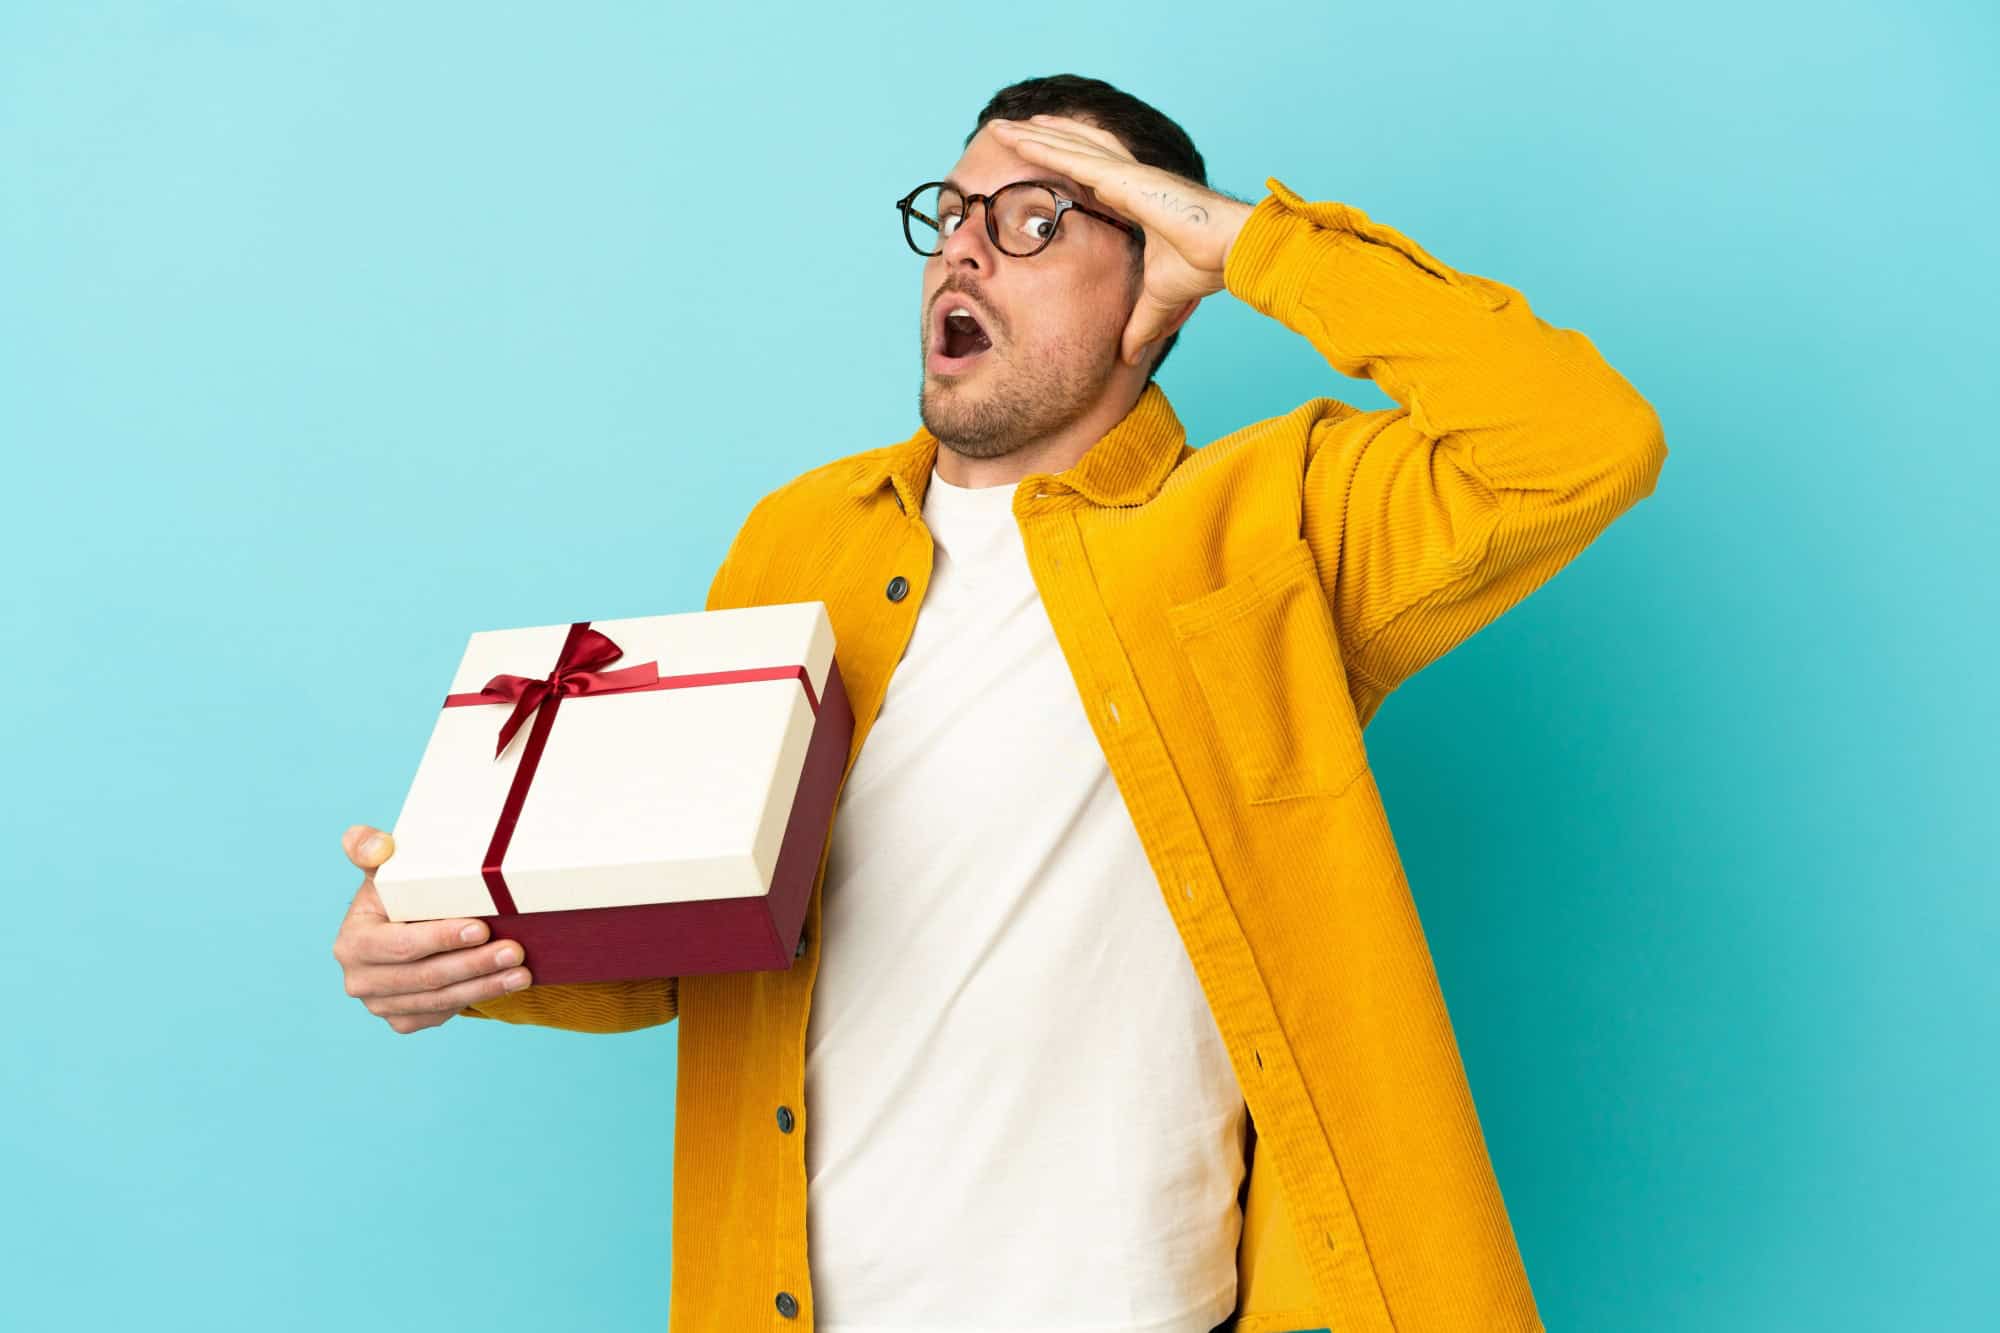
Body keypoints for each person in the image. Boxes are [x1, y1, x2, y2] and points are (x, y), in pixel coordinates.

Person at [331, 73, 1665, 1333]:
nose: (963, 252)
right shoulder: (802, 538)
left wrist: (1252, 242)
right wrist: (453, 950)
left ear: (1159, 274)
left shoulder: (1275, 527)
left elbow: (1582, 441)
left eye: (1037, 219)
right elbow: (699, 931)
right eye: (950, 217)